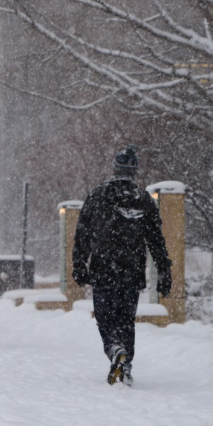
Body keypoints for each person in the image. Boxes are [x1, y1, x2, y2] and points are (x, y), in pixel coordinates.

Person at [72, 145, 171, 386]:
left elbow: (82, 233)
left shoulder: (98, 195)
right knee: (126, 320)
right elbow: (156, 239)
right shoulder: (144, 199)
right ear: (135, 171)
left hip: (103, 268)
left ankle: (115, 350)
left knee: (105, 319)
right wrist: (164, 270)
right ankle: (125, 365)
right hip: (132, 270)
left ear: (115, 168)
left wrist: (79, 263)